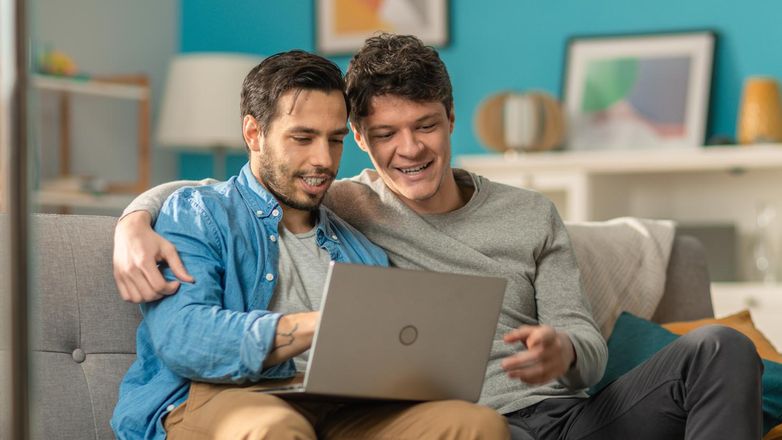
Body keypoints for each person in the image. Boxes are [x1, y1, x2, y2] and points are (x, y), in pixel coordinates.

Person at [115, 34, 764, 439]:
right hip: (470, 423)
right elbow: (235, 197)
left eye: (424, 126)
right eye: (384, 135)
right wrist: (133, 221)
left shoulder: (530, 215)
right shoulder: (345, 202)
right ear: (363, 143)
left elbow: (589, 346)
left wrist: (563, 351)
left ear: (451, 118)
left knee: (720, 349)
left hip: (570, 418)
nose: (409, 150)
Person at [110, 49, 509, 440]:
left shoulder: (359, 246)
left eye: (335, 140)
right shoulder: (199, 214)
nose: (324, 159)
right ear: (254, 133)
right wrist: (321, 325)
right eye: (303, 138)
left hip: (337, 406)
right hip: (220, 395)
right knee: (276, 429)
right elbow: (184, 336)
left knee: (475, 424)